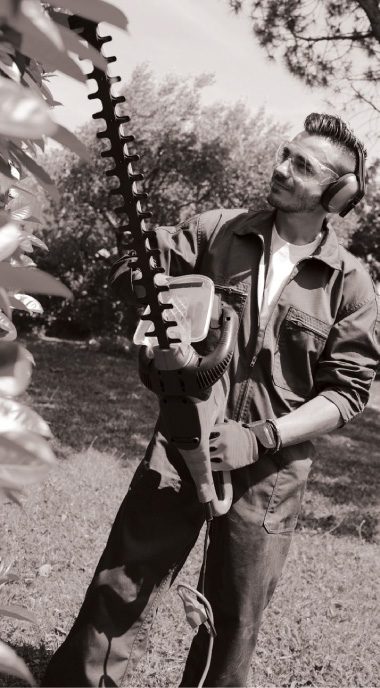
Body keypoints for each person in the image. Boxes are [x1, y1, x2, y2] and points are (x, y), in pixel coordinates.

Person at [42, 113, 379, 687]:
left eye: (301, 165)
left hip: (270, 470)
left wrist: (262, 436)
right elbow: (138, 276)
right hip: (181, 437)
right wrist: (142, 282)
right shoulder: (215, 232)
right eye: (283, 153)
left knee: (233, 620)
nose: (279, 168)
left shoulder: (349, 283)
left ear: (338, 193)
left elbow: (346, 393)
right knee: (121, 587)